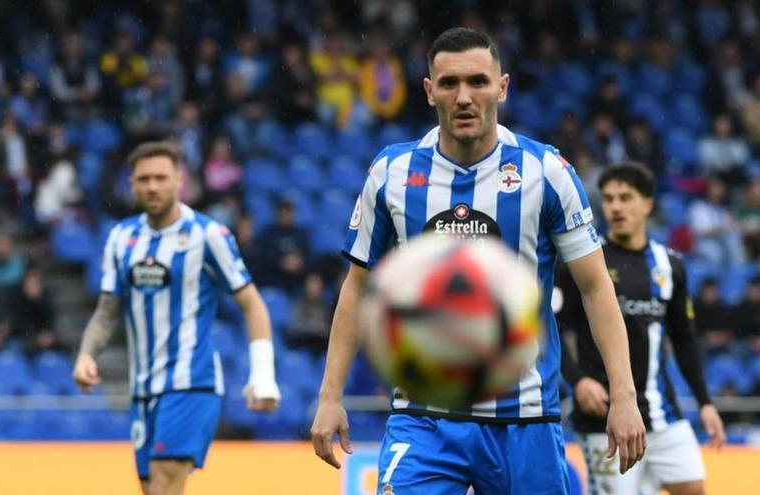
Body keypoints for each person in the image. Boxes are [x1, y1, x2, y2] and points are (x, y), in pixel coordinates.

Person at [310, 28, 645, 495]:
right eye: (448, 83)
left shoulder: (545, 172)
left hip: (523, 419)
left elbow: (594, 287)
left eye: (478, 82)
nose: (464, 97)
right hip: (423, 419)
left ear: (502, 87)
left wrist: (624, 397)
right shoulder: (392, 172)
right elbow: (356, 286)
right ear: (429, 92)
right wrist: (330, 396)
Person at [72, 142, 280, 495]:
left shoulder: (207, 234)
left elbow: (252, 303)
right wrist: (86, 353)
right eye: (144, 179)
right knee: (154, 487)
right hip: (143, 390)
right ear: (131, 184)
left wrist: (263, 374)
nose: (152, 186)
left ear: (179, 181)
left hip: (191, 383)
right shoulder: (122, 238)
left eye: (161, 178)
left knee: (164, 482)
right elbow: (107, 311)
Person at [556, 163, 725, 495]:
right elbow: (553, 329)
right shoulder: (586, 261)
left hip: (663, 414)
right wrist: (578, 380)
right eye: (608, 199)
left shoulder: (669, 265)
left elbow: (684, 338)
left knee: (694, 489)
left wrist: (705, 401)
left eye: (625, 197)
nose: (615, 206)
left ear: (647, 203)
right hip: (604, 416)